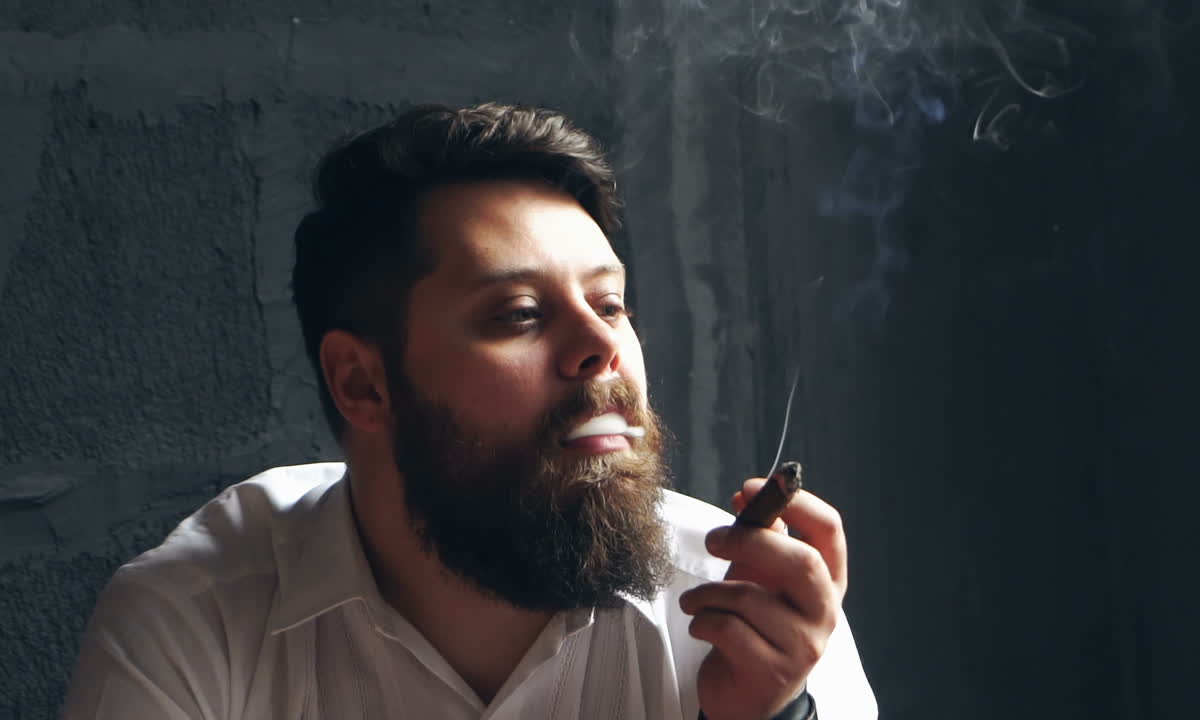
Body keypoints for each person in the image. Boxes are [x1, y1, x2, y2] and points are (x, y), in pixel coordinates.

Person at [62, 103, 878, 720]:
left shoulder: (749, 618)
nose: (602, 347)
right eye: (519, 313)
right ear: (363, 385)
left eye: (613, 303)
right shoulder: (195, 622)